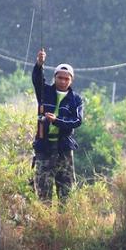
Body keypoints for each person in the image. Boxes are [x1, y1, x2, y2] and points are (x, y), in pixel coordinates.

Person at [32, 48, 83, 202]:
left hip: (64, 148)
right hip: (44, 146)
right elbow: (37, 79)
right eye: (60, 78)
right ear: (55, 78)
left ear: (71, 80)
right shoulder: (44, 92)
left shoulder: (76, 99)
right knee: (42, 190)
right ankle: (44, 222)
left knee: (66, 191)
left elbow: (77, 121)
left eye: (66, 79)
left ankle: (63, 223)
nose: (63, 81)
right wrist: (39, 64)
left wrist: (56, 120)